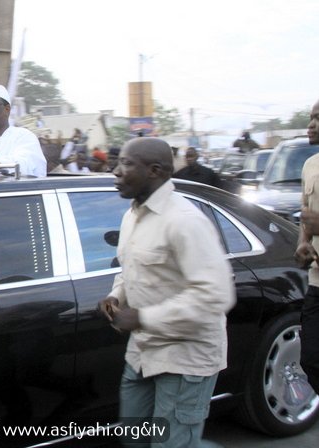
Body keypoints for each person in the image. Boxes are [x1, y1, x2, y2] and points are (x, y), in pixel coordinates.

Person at [98, 137, 234, 447]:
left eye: (126, 164)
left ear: (155, 171)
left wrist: (144, 318)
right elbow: (132, 268)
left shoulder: (185, 221)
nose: (116, 171)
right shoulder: (133, 214)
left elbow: (216, 295)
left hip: (185, 355)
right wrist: (116, 296)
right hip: (143, 353)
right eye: (118, 163)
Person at [293, 97, 319, 394]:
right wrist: (303, 243)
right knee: (311, 360)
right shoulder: (310, 165)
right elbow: (305, 214)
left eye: (318, 118)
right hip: (317, 281)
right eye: (311, 117)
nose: (311, 124)